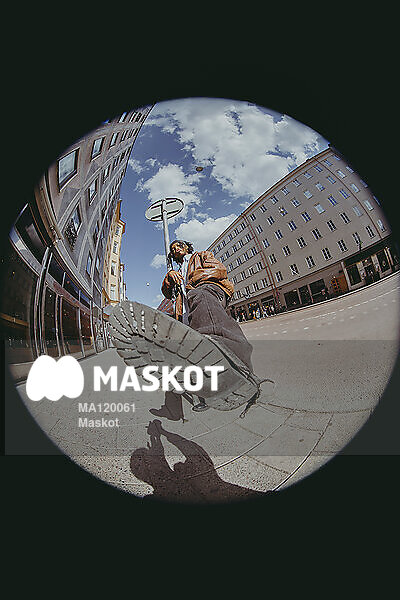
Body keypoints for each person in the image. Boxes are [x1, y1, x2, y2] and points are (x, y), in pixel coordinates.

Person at [161, 240, 254, 411]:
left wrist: (192, 283)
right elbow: (167, 293)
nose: (176, 250)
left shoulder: (201, 256)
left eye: (179, 246)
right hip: (188, 313)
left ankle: (246, 374)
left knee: (203, 304)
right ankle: (205, 396)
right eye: (173, 250)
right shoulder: (175, 272)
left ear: (187, 247)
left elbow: (219, 269)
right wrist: (169, 277)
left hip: (209, 292)